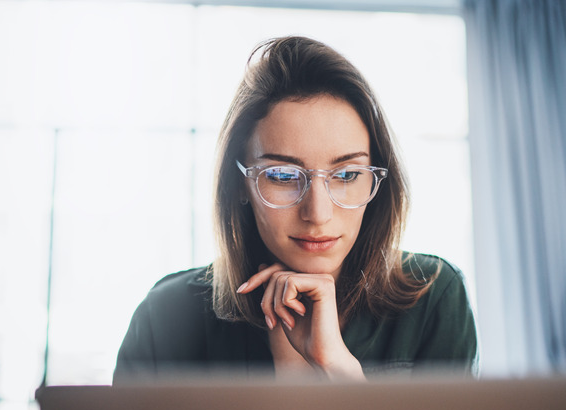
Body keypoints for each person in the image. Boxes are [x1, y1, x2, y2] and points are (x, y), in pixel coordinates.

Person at [114, 36, 477, 383]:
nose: (318, 214)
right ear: (239, 184)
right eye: (283, 176)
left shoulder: (434, 296)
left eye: (347, 175)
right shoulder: (165, 317)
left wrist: (339, 370)